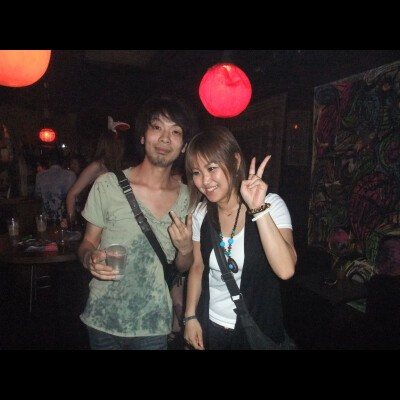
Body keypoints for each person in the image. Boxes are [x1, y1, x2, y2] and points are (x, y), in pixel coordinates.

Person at [78, 96, 198, 350]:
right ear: (143, 136)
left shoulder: (189, 198)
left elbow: (183, 267)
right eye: (157, 127)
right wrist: (89, 258)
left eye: (175, 132)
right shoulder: (107, 185)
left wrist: (186, 249)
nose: (165, 138)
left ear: (184, 146)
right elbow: (87, 242)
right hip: (102, 318)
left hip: (152, 323)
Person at [183, 126, 297, 350]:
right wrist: (190, 317)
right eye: (196, 172)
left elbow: (286, 270)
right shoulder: (201, 214)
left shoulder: (271, 205)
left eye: (212, 168)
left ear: (235, 161)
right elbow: (197, 266)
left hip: (258, 329)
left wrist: (258, 209)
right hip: (211, 327)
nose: (205, 180)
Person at [66, 116, 129, 228]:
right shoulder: (96, 166)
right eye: (121, 146)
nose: (123, 149)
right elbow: (72, 194)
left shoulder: (113, 168)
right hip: (95, 223)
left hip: (109, 222)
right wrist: (72, 224)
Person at [35, 150, 76, 224]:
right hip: (64, 219)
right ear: (63, 161)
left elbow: (37, 195)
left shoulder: (40, 175)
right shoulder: (70, 175)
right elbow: (75, 197)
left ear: (49, 162)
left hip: (45, 219)